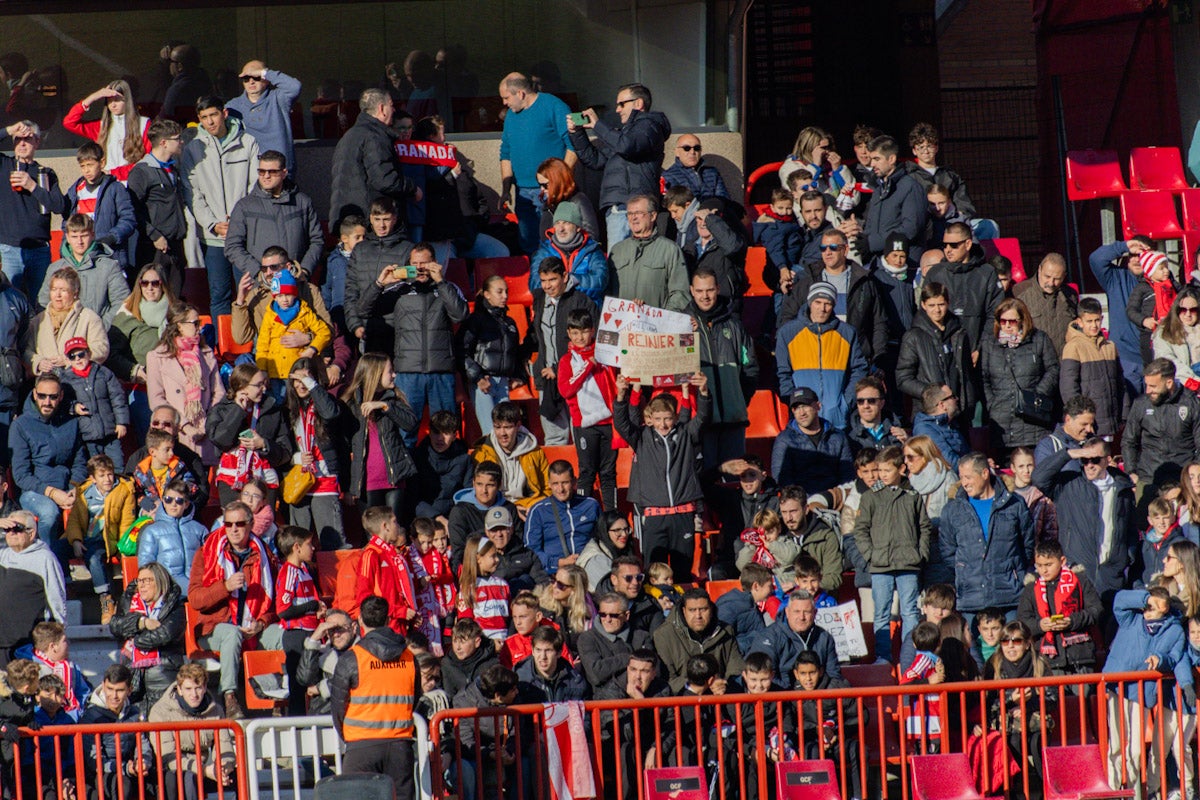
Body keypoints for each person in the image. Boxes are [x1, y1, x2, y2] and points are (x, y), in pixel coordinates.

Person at [360, 243, 468, 446]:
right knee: (405, 433)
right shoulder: (400, 289)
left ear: (434, 264)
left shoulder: (448, 288)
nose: (419, 268)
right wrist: (380, 284)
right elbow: (364, 309)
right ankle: (406, 477)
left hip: (441, 371)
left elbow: (460, 314)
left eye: (425, 263)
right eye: (415, 263)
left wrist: (441, 283)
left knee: (445, 431)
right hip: (408, 372)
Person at [187, 500, 282, 719]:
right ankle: (229, 697)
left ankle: (282, 695)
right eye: (228, 524)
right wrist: (225, 587)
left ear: (250, 524)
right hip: (215, 627)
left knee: (282, 636)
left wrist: (262, 622)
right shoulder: (207, 552)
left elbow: (275, 602)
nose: (234, 529)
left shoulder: (264, 554)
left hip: (253, 625)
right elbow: (195, 599)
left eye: (239, 524)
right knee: (232, 633)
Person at [614, 374, 710, 578]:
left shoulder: (685, 434)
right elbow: (622, 423)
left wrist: (702, 392)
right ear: (650, 419)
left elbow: (702, 417)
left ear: (674, 417)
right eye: (658, 419)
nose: (663, 424)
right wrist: (622, 394)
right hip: (654, 516)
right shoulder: (641, 438)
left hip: (682, 514)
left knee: (683, 571)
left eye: (667, 418)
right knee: (653, 572)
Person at [329, 594, 420, 795]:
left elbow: (337, 707)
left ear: (360, 620)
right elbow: (415, 697)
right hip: (399, 745)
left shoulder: (352, 658)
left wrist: (350, 737)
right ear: (388, 620)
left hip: (361, 747)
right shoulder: (409, 657)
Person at [1032, 437, 1135, 613]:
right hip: (1078, 573)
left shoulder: (1122, 487)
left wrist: (1125, 559)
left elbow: (1129, 529)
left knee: (1109, 634)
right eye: (1084, 460)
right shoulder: (1069, 484)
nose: (1089, 465)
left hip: (1111, 574)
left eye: (1095, 459)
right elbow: (1038, 478)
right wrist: (1070, 454)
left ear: (1108, 460)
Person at [180, 95, 259, 317]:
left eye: (214, 115)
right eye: (204, 118)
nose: (210, 122)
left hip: (243, 233)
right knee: (219, 295)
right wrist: (213, 224)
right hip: (213, 237)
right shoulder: (193, 149)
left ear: (224, 114)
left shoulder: (248, 142)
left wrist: (239, 220)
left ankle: (251, 346)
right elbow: (191, 192)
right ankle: (223, 349)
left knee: (248, 292)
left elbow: (255, 186)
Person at [1103, 588, 1184, 800]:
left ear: (1165, 607)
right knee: (1116, 743)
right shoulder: (1131, 619)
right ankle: (1114, 790)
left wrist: (1160, 659)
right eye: (1146, 605)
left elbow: (1174, 656)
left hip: (1143, 690)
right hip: (1117, 686)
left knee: (1136, 749)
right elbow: (1119, 600)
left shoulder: (1175, 630)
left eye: (1154, 606)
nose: (1148, 610)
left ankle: (1129, 791)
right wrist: (1145, 597)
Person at [567, 82, 671, 249]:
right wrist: (576, 133)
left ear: (639, 103)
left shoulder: (649, 126)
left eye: (622, 104)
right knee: (618, 262)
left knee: (630, 263)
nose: (617, 110)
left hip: (634, 205)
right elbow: (594, 160)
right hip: (618, 207)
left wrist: (597, 125)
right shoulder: (623, 135)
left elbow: (627, 146)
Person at [854, 445, 932, 662]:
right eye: (879, 470)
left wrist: (921, 554)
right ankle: (883, 657)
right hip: (881, 565)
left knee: (909, 612)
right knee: (881, 613)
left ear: (901, 469)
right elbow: (859, 529)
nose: (881, 475)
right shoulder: (871, 497)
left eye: (887, 471)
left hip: (909, 564)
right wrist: (871, 555)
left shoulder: (913, 496)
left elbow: (924, 527)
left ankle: (910, 655)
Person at [940, 453, 1034, 620]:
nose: (964, 483)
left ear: (984, 474)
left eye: (968, 477)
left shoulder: (1014, 504)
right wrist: (965, 571)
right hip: (970, 595)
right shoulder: (952, 509)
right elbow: (948, 551)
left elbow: (1027, 544)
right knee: (973, 646)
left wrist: (1015, 573)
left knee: (1013, 644)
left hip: (1009, 594)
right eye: (962, 478)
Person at [779, 228, 888, 369]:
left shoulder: (865, 282)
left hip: (854, 359)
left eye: (833, 248)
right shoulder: (807, 281)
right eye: (823, 248)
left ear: (845, 250)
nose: (827, 252)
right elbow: (787, 318)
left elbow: (879, 323)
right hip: (814, 359)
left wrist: (877, 358)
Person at [496, 74, 576, 254]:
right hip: (523, 192)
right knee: (528, 245)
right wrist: (505, 189)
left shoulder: (554, 106)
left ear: (521, 93)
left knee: (554, 244)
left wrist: (559, 181)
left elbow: (573, 145)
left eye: (506, 97)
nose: (504, 103)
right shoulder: (511, 115)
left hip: (550, 190)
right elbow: (506, 152)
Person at [10, 373, 86, 557]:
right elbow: (21, 475)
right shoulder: (21, 425)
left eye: (52, 397)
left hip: (68, 488)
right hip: (35, 491)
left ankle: (96, 577)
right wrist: (52, 492)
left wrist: (74, 487)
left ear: (60, 396)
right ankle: (45, 563)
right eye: (42, 396)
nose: (47, 402)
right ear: (35, 394)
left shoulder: (71, 423)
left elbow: (79, 462)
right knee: (49, 514)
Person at [775, 282, 868, 429]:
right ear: (810, 302)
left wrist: (846, 402)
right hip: (802, 420)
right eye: (818, 302)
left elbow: (859, 369)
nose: (822, 309)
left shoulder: (847, 333)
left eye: (828, 304)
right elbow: (782, 373)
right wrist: (795, 403)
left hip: (837, 417)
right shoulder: (787, 333)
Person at [144, 303, 224, 468]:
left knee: (202, 484)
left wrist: (207, 423)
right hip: (175, 434)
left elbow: (219, 392)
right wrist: (185, 425)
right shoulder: (156, 356)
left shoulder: (206, 354)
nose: (198, 328)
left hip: (204, 430)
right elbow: (157, 399)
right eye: (194, 323)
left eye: (198, 323)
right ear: (179, 325)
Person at [225, 150, 324, 282]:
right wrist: (258, 272)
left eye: (272, 172)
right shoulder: (245, 206)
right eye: (261, 171)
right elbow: (232, 246)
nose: (266, 176)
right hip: (259, 286)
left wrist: (304, 270)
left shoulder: (302, 202)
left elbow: (317, 240)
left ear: (284, 173)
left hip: (295, 283)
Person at [329, 87, 421, 227]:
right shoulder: (375, 137)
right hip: (373, 221)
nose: (394, 110)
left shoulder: (349, 136)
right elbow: (385, 180)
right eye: (391, 105)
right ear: (382, 108)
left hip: (350, 220)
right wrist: (412, 187)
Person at [981, 297, 1060, 452]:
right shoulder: (990, 344)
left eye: (1012, 321)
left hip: (1033, 418)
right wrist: (992, 403)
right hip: (1001, 418)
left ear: (1023, 320)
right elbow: (983, 377)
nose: (1007, 326)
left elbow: (1053, 369)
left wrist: (1037, 395)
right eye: (1003, 321)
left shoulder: (1039, 339)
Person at [149, 662, 237, 800]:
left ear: (205, 687)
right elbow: (168, 756)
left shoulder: (216, 710)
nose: (194, 694)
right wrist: (205, 770)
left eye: (198, 688)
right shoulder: (160, 711)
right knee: (188, 778)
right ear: (179, 689)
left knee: (238, 775)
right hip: (170, 771)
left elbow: (224, 745)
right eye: (188, 689)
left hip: (205, 768)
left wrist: (224, 767)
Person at [207, 364, 292, 506]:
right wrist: (238, 410)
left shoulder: (273, 410)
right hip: (231, 478)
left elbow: (286, 451)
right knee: (236, 522)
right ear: (242, 386)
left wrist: (264, 445)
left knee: (261, 525)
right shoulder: (221, 410)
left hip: (263, 479)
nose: (264, 389)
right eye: (258, 385)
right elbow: (221, 440)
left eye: (264, 384)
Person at [0, 121, 67, 297]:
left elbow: (59, 206)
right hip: (9, 250)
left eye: (28, 139)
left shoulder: (45, 173)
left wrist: (32, 186)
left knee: (41, 304)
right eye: (18, 139)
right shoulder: (4, 165)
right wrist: (8, 130)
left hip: (40, 250)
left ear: (37, 142)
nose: (22, 143)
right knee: (11, 304)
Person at [1016, 539, 1102, 675]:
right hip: (1047, 659)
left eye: (1049, 565)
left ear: (1062, 561)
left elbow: (1096, 610)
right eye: (1039, 565)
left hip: (1080, 655)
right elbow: (1022, 620)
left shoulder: (1079, 581)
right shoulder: (1032, 588)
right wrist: (1039, 626)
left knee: (1081, 696)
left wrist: (1072, 621)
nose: (1043, 570)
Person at [108, 562, 185, 711]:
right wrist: (141, 622)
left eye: (147, 580)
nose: (141, 585)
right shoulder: (130, 601)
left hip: (164, 671)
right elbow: (115, 625)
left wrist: (136, 640)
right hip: (133, 673)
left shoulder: (175, 605)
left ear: (160, 581)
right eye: (140, 580)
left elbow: (165, 634)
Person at [925, 222, 1004, 359]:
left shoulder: (986, 273)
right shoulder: (935, 274)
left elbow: (995, 314)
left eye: (954, 245)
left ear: (968, 244)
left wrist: (981, 348)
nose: (948, 249)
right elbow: (924, 315)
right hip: (943, 355)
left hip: (978, 353)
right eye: (945, 245)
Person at [126, 119, 186, 295]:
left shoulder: (173, 169)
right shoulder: (142, 171)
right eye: (178, 138)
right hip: (154, 247)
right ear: (164, 143)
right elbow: (134, 210)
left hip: (175, 243)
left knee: (174, 296)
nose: (181, 142)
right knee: (153, 295)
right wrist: (154, 235)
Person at [1123, 358, 1200, 495]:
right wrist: (1131, 471)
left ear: (1169, 383)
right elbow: (1129, 440)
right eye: (1146, 385)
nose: (1147, 390)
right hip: (1149, 477)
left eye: (1153, 386)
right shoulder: (1141, 404)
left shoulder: (1191, 403)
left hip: (1182, 478)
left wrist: (1194, 474)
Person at [459, 275, 524, 434]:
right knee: (490, 431)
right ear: (487, 294)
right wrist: (477, 377)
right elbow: (461, 349)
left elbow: (515, 353)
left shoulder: (510, 323)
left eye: (506, 292)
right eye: (499, 292)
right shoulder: (475, 320)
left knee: (506, 431)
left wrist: (518, 376)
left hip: (503, 382)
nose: (505, 296)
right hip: (484, 382)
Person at [80, 664, 154, 800]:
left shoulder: (135, 713)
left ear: (129, 690)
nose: (114, 696)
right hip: (102, 772)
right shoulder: (91, 716)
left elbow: (142, 743)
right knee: (121, 785)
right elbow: (94, 761)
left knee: (162, 781)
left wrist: (142, 761)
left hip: (130, 768)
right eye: (110, 689)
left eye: (120, 690)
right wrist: (126, 768)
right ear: (103, 685)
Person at [40, 213, 129, 324]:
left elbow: (122, 302)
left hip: (99, 333)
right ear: (67, 237)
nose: (80, 241)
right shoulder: (55, 268)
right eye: (74, 236)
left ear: (92, 235)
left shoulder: (109, 267)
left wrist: (99, 327)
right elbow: (43, 303)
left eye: (84, 235)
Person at [650, 588, 743, 693]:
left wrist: (723, 683)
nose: (698, 616)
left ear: (711, 609)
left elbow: (736, 669)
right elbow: (666, 679)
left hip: (720, 694)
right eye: (692, 610)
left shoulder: (726, 631)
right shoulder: (663, 635)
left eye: (703, 609)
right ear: (684, 611)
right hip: (683, 699)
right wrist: (697, 686)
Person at [1090, 237, 1152, 392]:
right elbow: (1096, 259)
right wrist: (1124, 246)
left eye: (1142, 255)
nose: (1137, 260)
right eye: (1133, 255)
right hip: (1124, 359)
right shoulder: (1116, 278)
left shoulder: (1160, 282)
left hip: (1154, 360)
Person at [605, 194, 689, 310]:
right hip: (623, 325)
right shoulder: (617, 250)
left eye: (639, 213)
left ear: (653, 216)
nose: (633, 218)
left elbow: (680, 292)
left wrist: (663, 318)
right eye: (630, 213)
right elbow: (607, 291)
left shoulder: (670, 249)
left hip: (657, 325)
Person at [65, 141, 138, 273]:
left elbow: (128, 219)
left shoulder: (116, 188)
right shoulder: (75, 191)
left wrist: (112, 237)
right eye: (83, 166)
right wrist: (66, 246)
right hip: (82, 258)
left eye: (90, 165)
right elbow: (67, 221)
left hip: (110, 255)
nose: (86, 170)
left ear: (102, 163)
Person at [59, 336, 128, 471]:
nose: (78, 359)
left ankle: (121, 490)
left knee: (117, 466)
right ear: (67, 359)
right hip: (87, 435)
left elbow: (117, 397)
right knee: (94, 469)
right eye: (72, 356)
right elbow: (62, 402)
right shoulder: (65, 379)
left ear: (89, 353)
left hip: (110, 431)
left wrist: (121, 422)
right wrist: (74, 407)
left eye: (81, 354)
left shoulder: (103, 373)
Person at [471, 401, 552, 516]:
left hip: (528, 506)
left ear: (518, 426)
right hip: (494, 507)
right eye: (497, 427)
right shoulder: (481, 454)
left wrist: (532, 505)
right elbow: (477, 491)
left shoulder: (535, 452)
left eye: (507, 427)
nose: (502, 433)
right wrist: (511, 509)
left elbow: (548, 488)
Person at [1062, 296, 1126, 440]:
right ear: (1079, 322)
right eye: (1089, 321)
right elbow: (1068, 387)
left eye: (1097, 320)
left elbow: (1120, 383)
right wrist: (1079, 419)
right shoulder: (1073, 347)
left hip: (1111, 419)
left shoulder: (1110, 346)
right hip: (1089, 422)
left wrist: (1124, 415)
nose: (1094, 325)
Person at [62, 80, 150, 182]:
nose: (113, 105)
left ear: (127, 100)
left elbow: (148, 160)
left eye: (117, 100)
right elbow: (69, 122)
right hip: (109, 185)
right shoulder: (101, 126)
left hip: (135, 183)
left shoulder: (143, 124)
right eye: (109, 101)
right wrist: (93, 97)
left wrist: (115, 173)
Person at [28, 267, 108, 375]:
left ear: (75, 292)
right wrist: (38, 362)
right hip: (46, 384)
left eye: (63, 290)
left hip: (79, 382)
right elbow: (26, 350)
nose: (58, 295)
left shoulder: (89, 317)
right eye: (54, 289)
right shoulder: (38, 320)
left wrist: (70, 359)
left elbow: (101, 350)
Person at [750, 590, 841, 685]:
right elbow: (763, 678)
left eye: (807, 612)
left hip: (817, 696)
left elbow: (834, 676)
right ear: (787, 612)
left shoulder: (824, 638)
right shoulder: (769, 638)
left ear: (815, 613)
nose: (802, 617)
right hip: (784, 696)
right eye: (796, 611)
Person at [772, 388, 853, 494]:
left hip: (834, 499)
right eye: (796, 408)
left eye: (805, 406)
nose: (801, 413)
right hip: (801, 503)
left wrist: (835, 498)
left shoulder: (838, 437)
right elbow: (782, 478)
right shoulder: (784, 439)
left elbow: (847, 475)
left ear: (818, 406)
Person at [225, 60, 301, 171]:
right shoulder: (233, 106)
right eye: (246, 78)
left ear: (266, 79)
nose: (251, 82)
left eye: (256, 77)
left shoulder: (278, 98)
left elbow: (294, 87)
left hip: (279, 171)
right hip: (248, 171)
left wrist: (265, 73)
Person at [860, 135, 927, 258]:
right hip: (879, 261)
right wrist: (862, 240)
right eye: (871, 159)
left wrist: (872, 242)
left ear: (891, 159)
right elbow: (871, 225)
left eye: (876, 159)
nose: (872, 164)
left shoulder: (910, 187)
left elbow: (911, 229)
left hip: (905, 261)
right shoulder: (878, 189)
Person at [137, 479, 207, 595]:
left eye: (179, 501)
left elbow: (210, 560)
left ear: (186, 504)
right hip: (167, 588)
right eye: (168, 500)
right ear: (163, 502)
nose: (173, 504)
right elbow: (146, 567)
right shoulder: (152, 531)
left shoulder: (199, 530)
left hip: (197, 585)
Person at [530, 204, 607, 306]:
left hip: (585, 309)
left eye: (566, 223)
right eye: (557, 223)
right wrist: (559, 285)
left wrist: (573, 280)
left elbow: (600, 280)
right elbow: (534, 283)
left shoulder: (592, 250)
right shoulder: (544, 251)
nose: (561, 229)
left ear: (578, 227)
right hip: (554, 308)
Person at [1014, 252, 1078, 355]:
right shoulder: (1019, 292)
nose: (1051, 283)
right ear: (1039, 269)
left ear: (1064, 276)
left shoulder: (1070, 295)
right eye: (1047, 276)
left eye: (1057, 279)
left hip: (1065, 362)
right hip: (1034, 361)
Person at [456, 534, 512, 643]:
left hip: (505, 642)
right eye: (492, 556)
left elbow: (510, 617)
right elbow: (466, 624)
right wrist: (488, 645)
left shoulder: (502, 584)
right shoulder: (469, 587)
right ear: (478, 559)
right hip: (483, 645)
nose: (497, 560)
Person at [1128, 249, 1179, 365]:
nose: (1166, 271)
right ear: (1151, 270)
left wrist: (1172, 282)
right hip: (1150, 333)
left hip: (1173, 330)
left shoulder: (1172, 285)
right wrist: (1144, 320)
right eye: (1161, 268)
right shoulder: (1142, 288)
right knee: (1153, 366)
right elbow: (1131, 310)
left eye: (1166, 266)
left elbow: (1183, 296)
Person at [516, 626, 589, 701]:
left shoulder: (575, 681)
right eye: (538, 650)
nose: (543, 657)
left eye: (548, 650)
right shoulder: (519, 679)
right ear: (532, 651)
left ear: (559, 653)